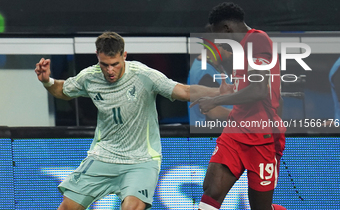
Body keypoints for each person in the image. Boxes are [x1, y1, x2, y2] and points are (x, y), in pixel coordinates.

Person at [35, 31, 223, 210]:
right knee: (67, 207)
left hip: (141, 161)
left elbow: (184, 91)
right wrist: (47, 81)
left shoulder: (144, 75)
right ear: (97, 56)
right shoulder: (89, 77)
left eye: (115, 64)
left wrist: (220, 92)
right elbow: (63, 90)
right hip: (103, 157)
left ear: (124, 55)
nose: (110, 70)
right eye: (104, 64)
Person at [191, 2, 286, 210]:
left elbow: (259, 90)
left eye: (217, 37)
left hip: (262, 139)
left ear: (227, 29)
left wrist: (215, 101)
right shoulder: (240, 51)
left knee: (260, 207)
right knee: (211, 190)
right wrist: (226, 94)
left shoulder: (258, 40)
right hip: (234, 133)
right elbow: (246, 90)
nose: (218, 43)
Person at [187, 38, 233, 124]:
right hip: (211, 135)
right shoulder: (204, 72)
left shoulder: (215, 66)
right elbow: (214, 112)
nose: (232, 53)